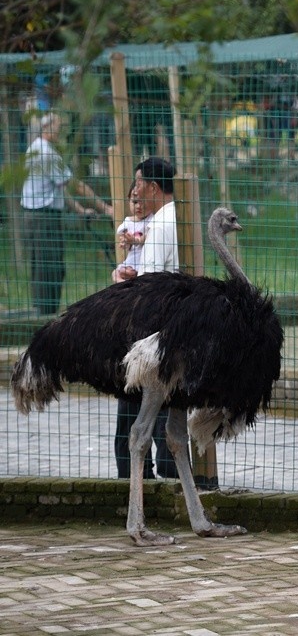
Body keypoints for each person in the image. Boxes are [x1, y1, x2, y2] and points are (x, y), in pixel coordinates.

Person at [114, 157, 179, 480]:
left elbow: (151, 284)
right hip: (167, 326)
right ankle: (158, 474)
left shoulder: (163, 224)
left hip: (150, 328)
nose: (134, 190)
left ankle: (134, 476)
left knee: (135, 402)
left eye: (139, 183)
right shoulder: (169, 219)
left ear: (153, 187)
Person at [21, 113, 112, 314]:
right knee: (50, 270)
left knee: (44, 268)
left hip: (35, 216)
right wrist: (105, 208)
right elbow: (75, 185)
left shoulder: (34, 149)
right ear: (48, 127)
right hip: (44, 218)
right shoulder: (47, 154)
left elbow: (58, 189)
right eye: (59, 126)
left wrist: (80, 210)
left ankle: (44, 313)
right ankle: (46, 317)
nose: (62, 131)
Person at [112, 183, 151, 284]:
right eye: (135, 202)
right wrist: (125, 242)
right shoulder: (128, 222)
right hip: (131, 260)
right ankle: (123, 284)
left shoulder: (152, 219)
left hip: (144, 261)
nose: (139, 206)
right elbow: (125, 242)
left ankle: (128, 283)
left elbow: (150, 236)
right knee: (115, 273)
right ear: (128, 200)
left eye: (144, 202)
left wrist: (135, 240)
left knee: (132, 273)